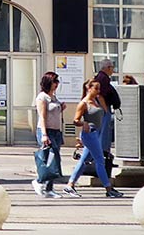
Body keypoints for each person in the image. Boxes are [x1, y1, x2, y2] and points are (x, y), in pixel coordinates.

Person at [62, 79, 125, 199]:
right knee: (100, 160)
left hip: (95, 134)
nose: (98, 91)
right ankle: (108, 188)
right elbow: (75, 120)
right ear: (89, 88)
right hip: (89, 134)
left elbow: (106, 113)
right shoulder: (84, 103)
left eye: (99, 88)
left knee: (84, 161)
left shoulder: (97, 100)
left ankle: (70, 185)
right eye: (96, 88)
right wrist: (83, 123)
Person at [32, 70, 65, 198]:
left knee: (54, 160)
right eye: (54, 81)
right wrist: (44, 134)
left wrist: (61, 107)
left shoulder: (53, 97)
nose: (57, 84)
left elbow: (54, 113)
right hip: (46, 130)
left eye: (57, 81)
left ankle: (49, 188)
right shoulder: (42, 97)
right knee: (51, 158)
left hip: (56, 131)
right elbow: (43, 116)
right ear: (48, 83)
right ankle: (39, 181)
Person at [93, 59, 121, 160]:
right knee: (104, 133)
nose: (113, 70)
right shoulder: (103, 78)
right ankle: (103, 155)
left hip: (101, 108)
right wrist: (105, 110)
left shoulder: (100, 77)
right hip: (103, 108)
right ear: (108, 67)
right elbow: (100, 95)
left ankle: (104, 155)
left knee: (104, 133)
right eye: (112, 67)